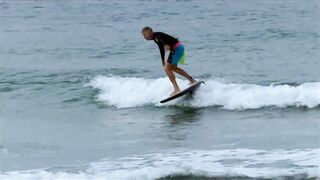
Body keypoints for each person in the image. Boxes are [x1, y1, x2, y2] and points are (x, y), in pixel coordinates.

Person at [141, 26, 196, 96]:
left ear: (150, 32)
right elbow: (161, 49)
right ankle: (191, 80)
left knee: (167, 69)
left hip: (176, 49)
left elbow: (161, 40)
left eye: (145, 34)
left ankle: (176, 89)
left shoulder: (157, 36)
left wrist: (165, 44)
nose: (144, 37)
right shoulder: (156, 38)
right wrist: (163, 60)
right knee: (173, 68)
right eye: (143, 35)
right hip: (179, 48)